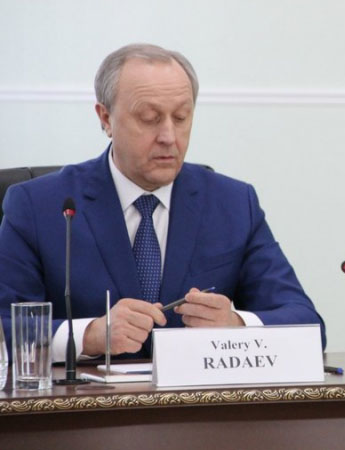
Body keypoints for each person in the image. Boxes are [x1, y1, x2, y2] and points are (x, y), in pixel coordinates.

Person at [0, 43, 325, 359]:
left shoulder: (234, 204)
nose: (169, 136)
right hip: (84, 395)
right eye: (149, 118)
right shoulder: (36, 206)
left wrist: (236, 325)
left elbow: (308, 324)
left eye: (181, 117)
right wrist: (89, 336)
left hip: (197, 396)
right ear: (106, 118)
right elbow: (5, 325)